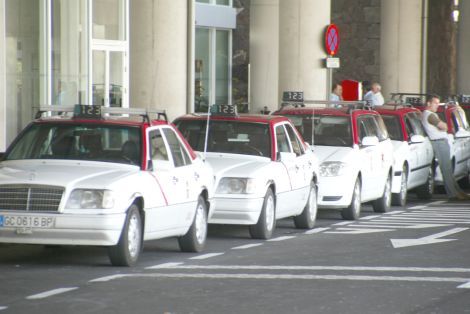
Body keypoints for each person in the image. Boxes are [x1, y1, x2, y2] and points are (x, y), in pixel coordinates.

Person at [421, 94, 470, 200]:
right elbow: (443, 126)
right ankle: (453, 194)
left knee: (448, 170)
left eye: (438, 103)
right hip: (439, 143)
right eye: (435, 103)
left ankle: (457, 192)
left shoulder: (430, 114)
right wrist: (445, 127)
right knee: (446, 170)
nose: (437, 106)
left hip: (441, 142)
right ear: (428, 103)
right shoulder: (430, 115)